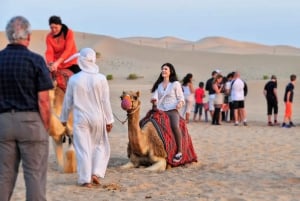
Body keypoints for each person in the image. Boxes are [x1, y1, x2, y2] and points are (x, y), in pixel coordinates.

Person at [0, 16, 53, 200]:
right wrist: (45, 126)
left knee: (3, 176)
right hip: (31, 122)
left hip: (3, 123)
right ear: (28, 36)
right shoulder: (36, 61)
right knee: (35, 176)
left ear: (8, 35)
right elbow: (44, 101)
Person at [60, 48, 114, 188]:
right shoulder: (101, 78)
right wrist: (109, 120)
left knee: (83, 149)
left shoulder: (74, 79)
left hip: (81, 119)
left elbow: (68, 101)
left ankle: (86, 180)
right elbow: (105, 101)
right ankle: (95, 173)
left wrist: (64, 118)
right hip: (98, 118)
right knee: (100, 145)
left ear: (81, 60)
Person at [151, 63, 185, 163]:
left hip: (172, 110)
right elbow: (155, 96)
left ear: (171, 71)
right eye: (162, 69)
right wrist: (154, 100)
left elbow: (181, 98)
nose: (163, 70)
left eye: (165, 69)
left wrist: (180, 103)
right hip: (160, 110)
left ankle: (179, 151)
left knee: (175, 126)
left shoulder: (175, 84)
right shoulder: (159, 85)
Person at [45, 15, 81, 91]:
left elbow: (68, 50)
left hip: (70, 62)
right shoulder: (49, 37)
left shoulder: (69, 33)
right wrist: (51, 63)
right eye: (51, 28)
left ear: (60, 25)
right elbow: (49, 51)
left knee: (81, 79)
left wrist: (57, 63)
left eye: (56, 27)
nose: (54, 30)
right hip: (55, 64)